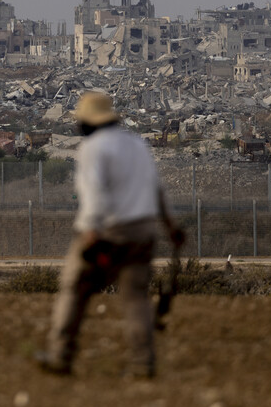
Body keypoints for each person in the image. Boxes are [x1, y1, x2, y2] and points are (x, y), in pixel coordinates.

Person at [35, 91, 184, 378]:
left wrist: (91, 229)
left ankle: (60, 355)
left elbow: (94, 192)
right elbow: (156, 187)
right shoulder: (136, 144)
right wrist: (171, 226)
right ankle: (143, 363)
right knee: (136, 298)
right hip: (142, 232)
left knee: (74, 287)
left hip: (109, 231)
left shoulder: (93, 148)